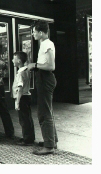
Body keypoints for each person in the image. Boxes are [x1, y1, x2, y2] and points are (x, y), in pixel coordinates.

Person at [28, 20, 58, 155]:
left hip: (46, 79)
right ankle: (52, 141)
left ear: (40, 32)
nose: (33, 34)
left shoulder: (47, 44)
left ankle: (49, 146)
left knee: (44, 113)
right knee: (47, 111)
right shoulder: (44, 44)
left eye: (34, 32)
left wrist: (34, 65)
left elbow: (51, 66)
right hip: (43, 78)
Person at [12, 52, 35, 146]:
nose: (12, 60)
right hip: (27, 96)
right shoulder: (26, 71)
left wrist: (17, 102)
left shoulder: (21, 73)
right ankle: (30, 137)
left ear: (19, 61)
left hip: (22, 98)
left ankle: (27, 139)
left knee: (23, 120)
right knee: (28, 118)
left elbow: (20, 88)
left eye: (14, 58)